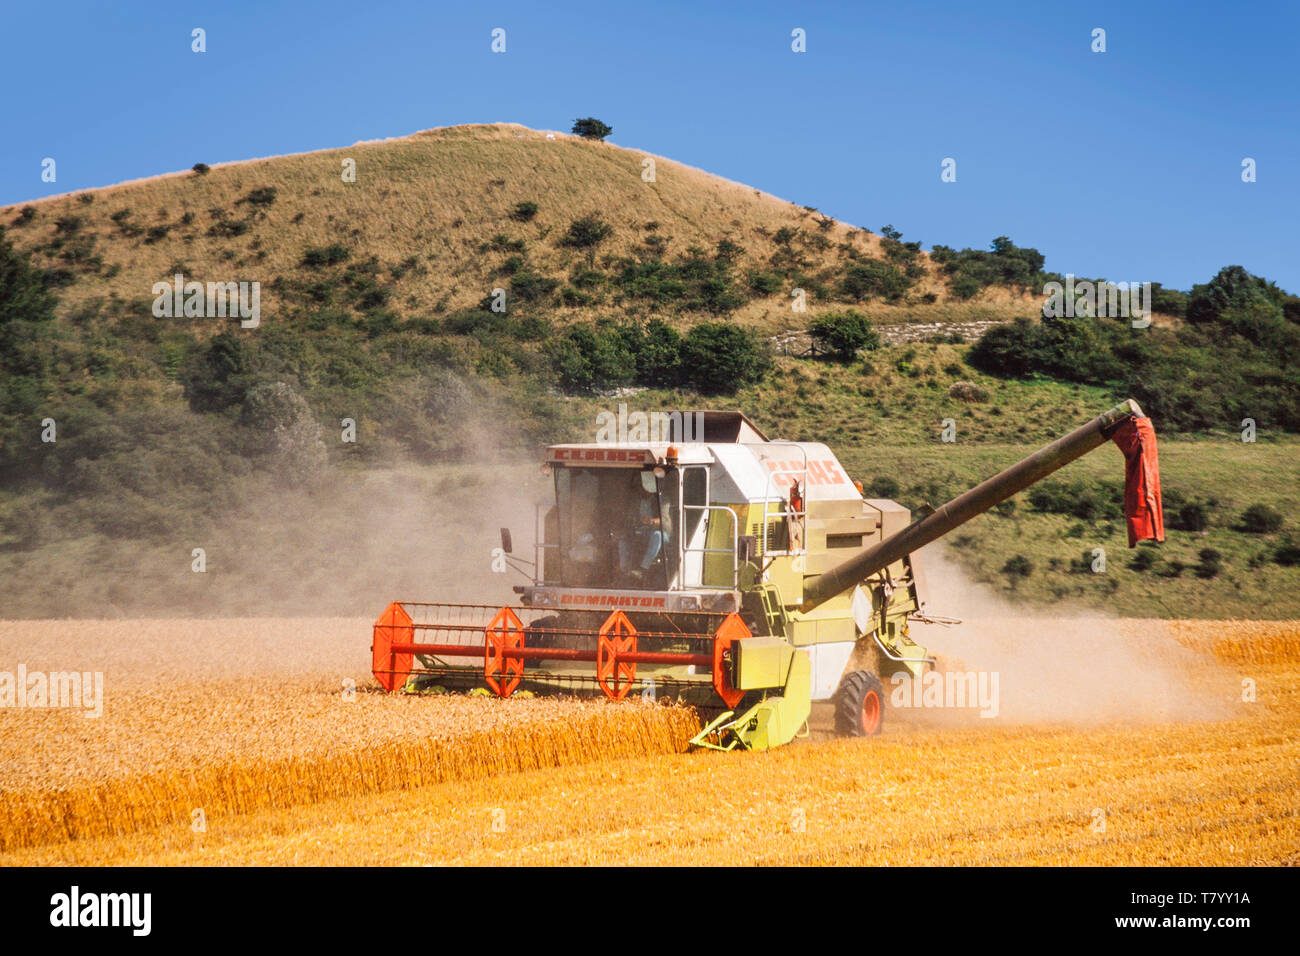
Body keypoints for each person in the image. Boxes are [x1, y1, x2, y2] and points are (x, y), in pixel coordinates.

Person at [618, 475, 663, 582]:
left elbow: (666, 522)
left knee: (657, 536)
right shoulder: (636, 502)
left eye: (642, 486)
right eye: (639, 487)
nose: (640, 489)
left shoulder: (661, 500)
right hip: (641, 531)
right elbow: (629, 518)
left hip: (659, 532)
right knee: (623, 539)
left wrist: (652, 521)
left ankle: (643, 568)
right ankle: (624, 570)